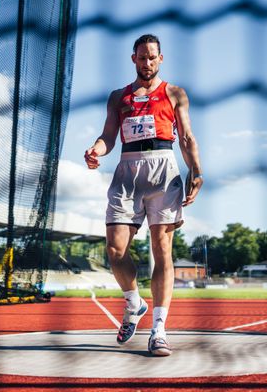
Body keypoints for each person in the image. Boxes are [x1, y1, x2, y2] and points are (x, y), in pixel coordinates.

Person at [84, 34, 203, 356]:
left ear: (160, 58)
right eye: (141, 57)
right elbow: (109, 136)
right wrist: (96, 149)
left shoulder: (175, 93)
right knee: (114, 247)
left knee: (162, 248)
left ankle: (159, 330)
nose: (147, 63)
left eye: (152, 57)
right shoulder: (117, 96)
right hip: (127, 168)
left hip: (162, 168)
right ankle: (134, 303)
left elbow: (187, 137)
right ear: (133, 59)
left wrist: (196, 172)